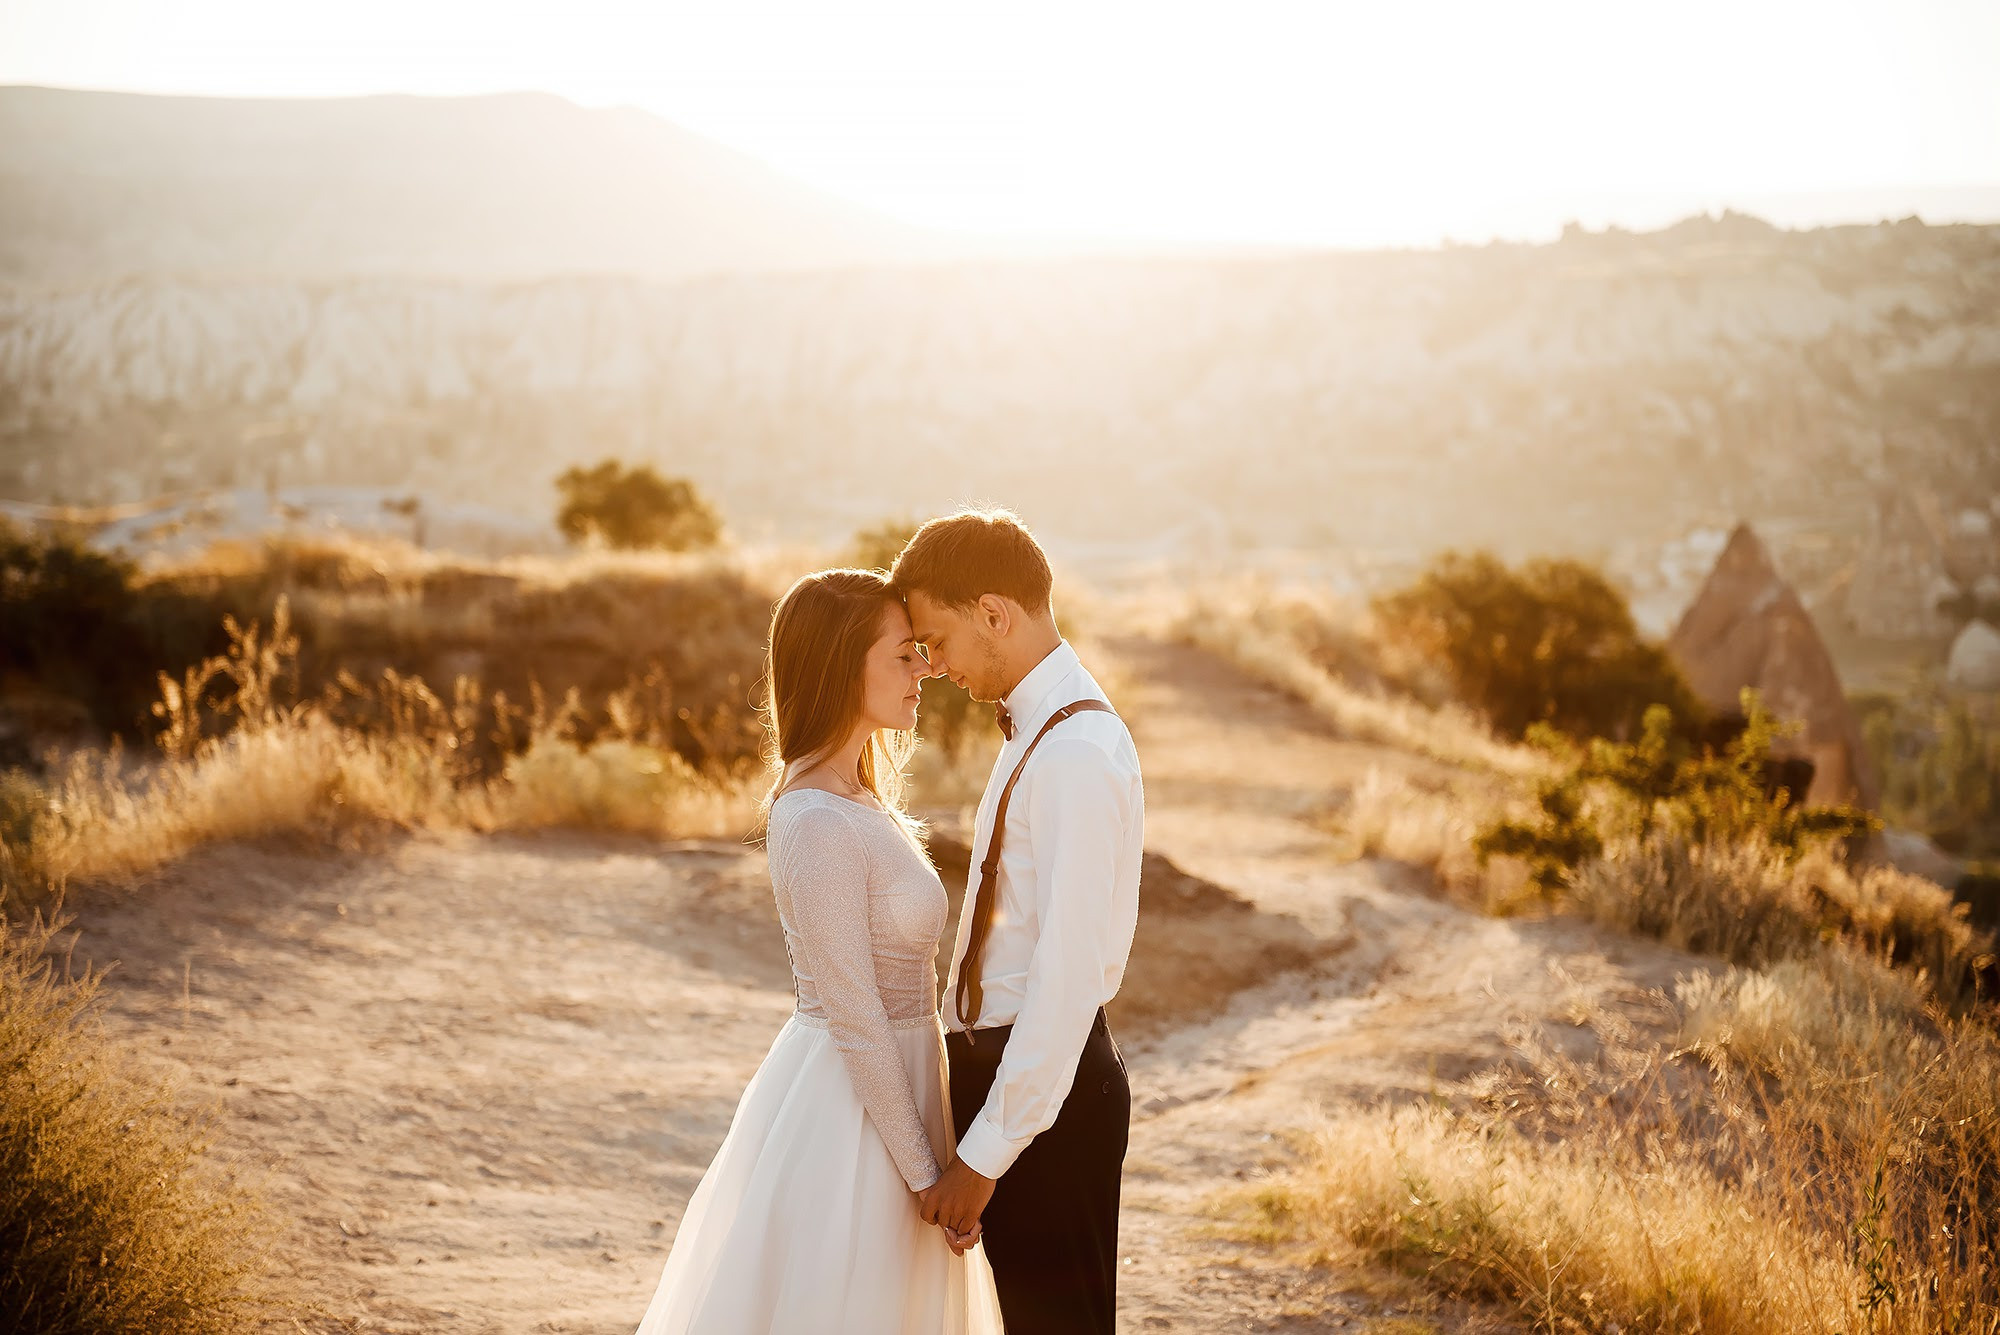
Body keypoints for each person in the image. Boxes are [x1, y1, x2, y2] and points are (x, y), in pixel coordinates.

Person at [633, 568, 1003, 1335]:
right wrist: (928, 1175)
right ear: (843, 666)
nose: (924, 669)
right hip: (850, 1110)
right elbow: (855, 1016)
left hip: (902, 1087)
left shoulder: (859, 798)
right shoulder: (812, 820)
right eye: (903, 655)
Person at [892, 509, 1145, 1335]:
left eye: (936, 640)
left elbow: (1066, 982)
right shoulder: (1034, 728)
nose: (931, 666)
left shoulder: (1074, 752)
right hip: (1009, 1081)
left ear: (994, 614)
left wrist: (986, 1151)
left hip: (1048, 1097)